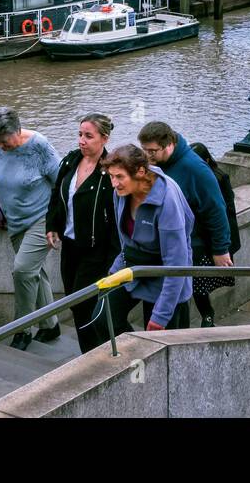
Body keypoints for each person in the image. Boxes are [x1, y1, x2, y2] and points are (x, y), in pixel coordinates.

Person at [138, 121, 233, 326]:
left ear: (169, 144)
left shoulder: (195, 168)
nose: (147, 156)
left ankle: (197, 323)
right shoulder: (157, 164)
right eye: (144, 150)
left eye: (152, 151)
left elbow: (216, 209)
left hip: (190, 243)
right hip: (162, 243)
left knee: (183, 295)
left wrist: (220, 249)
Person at [0, 107, 61, 350]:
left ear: (18, 129)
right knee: (33, 273)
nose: (2, 147)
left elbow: (62, 181)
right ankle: (51, 325)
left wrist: (57, 222)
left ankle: (22, 329)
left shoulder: (39, 146)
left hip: (42, 219)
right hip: (14, 222)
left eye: (6, 143)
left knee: (22, 271)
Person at [46, 113, 120, 352]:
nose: (82, 140)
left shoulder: (109, 172)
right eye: (80, 134)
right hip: (70, 246)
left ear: (104, 139)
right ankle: (92, 350)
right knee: (74, 301)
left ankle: (93, 353)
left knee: (84, 302)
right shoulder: (70, 161)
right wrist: (52, 225)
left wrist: (114, 257)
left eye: (89, 136)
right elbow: (57, 194)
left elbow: (116, 216)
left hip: (95, 250)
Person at [103, 145, 194, 332]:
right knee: (103, 319)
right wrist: (115, 272)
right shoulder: (120, 193)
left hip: (166, 275)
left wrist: (161, 316)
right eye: (111, 176)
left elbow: (176, 262)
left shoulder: (167, 200)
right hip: (135, 264)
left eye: (120, 177)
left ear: (140, 171)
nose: (114, 183)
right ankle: (128, 355)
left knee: (154, 337)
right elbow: (125, 241)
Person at [190, 142, 242, 327]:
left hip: (211, 240)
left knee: (199, 282)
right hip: (200, 239)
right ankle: (207, 315)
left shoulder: (219, 178)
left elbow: (225, 210)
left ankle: (207, 315)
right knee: (198, 283)